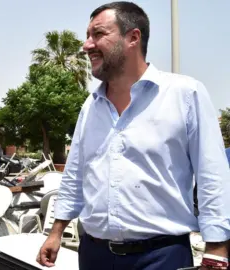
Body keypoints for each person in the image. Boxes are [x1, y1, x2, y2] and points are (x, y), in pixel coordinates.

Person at [37, 2, 230, 270]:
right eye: (87, 35)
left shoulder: (184, 95)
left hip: (161, 258)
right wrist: (57, 231)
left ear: (133, 37)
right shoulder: (90, 106)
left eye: (98, 34)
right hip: (94, 255)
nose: (87, 45)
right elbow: (75, 174)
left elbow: (212, 175)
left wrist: (217, 248)